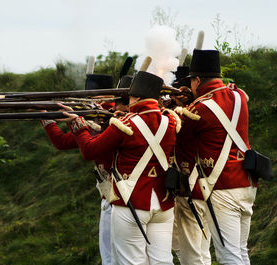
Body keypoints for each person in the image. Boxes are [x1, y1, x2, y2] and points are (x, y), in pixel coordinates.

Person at [63, 71, 178, 264]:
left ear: (136, 97)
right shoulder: (171, 121)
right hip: (164, 203)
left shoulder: (124, 124)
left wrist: (78, 124)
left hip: (131, 201)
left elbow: (90, 151)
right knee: (162, 261)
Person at [176, 49, 257, 265]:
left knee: (228, 256)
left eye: (192, 81)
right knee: (240, 251)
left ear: (198, 80)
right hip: (247, 183)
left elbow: (183, 146)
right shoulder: (238, 96)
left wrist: (180, 108)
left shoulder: (198, 108)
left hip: (221, 186)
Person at [41, 73, 129, 265]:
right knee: (111, 258)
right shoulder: (96, 122)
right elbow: (62, 142)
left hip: (125, 199)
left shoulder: (113, 123)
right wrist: (47, 117)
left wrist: (79, 121)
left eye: (93, 98)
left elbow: (87, 147)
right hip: (111, 197)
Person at [171, 66, 212, 265]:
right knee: (202, 251)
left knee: (191, 255)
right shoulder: (206, 107)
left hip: (191, 188)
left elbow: (176, 135)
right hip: (210, 185)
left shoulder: (189, 115)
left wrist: (176, 107)